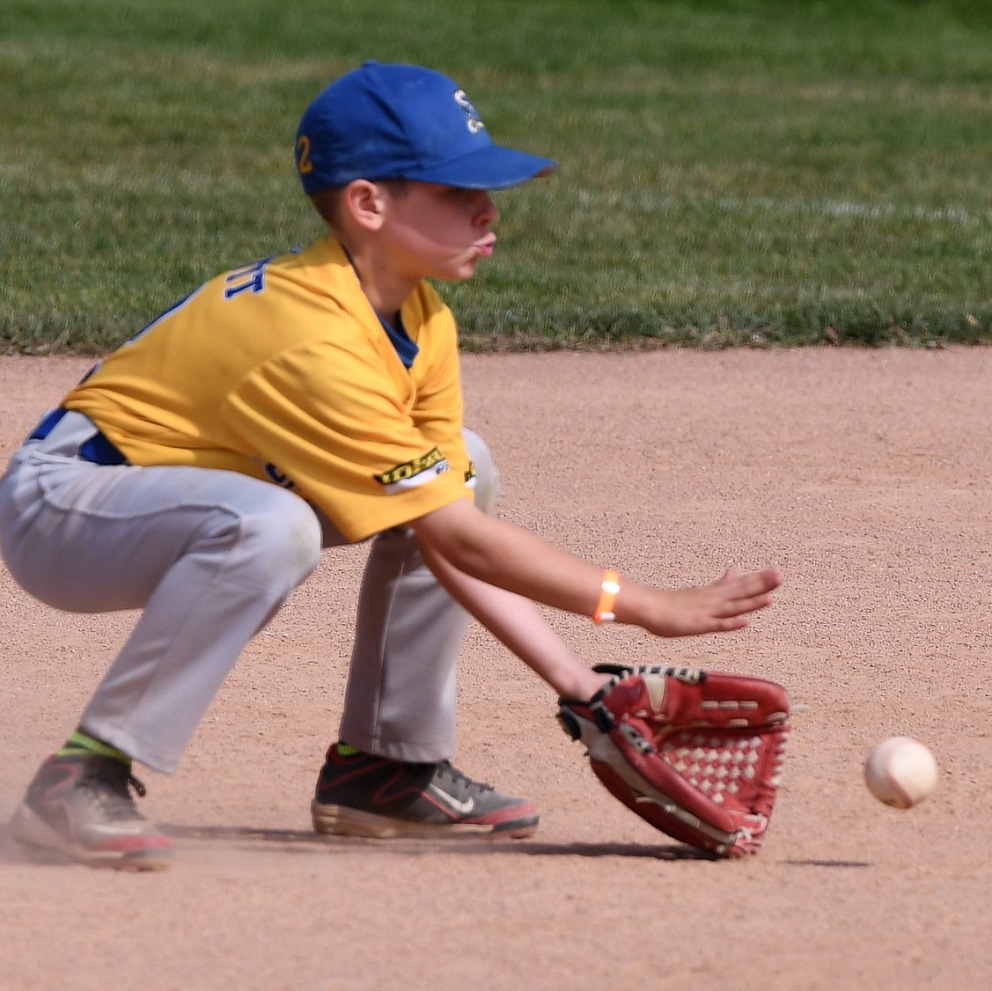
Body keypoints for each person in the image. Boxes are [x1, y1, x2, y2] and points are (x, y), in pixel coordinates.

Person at [0, 61, 781, 871]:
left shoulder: (419, 313)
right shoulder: (309, 339)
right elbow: (461, 542)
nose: (487, 209)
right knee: (270, 528)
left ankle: (386, 768)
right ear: (368, 203)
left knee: (461, 468)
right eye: (453, 190)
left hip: (185, 489)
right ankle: (84, 772)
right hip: (66, 507)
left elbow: (449, 524)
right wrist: (640, 604)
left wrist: (579, 684)